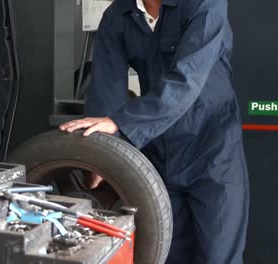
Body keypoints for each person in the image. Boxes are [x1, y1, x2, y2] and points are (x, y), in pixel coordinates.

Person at [59, 0, 249, 263]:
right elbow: (106, 90)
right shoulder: (117, 16)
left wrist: (120, 124)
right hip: (161, 154)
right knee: (165, 253)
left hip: (213, 152)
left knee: (217, 256)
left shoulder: (204, 4)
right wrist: (98, 154)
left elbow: (187, 79)